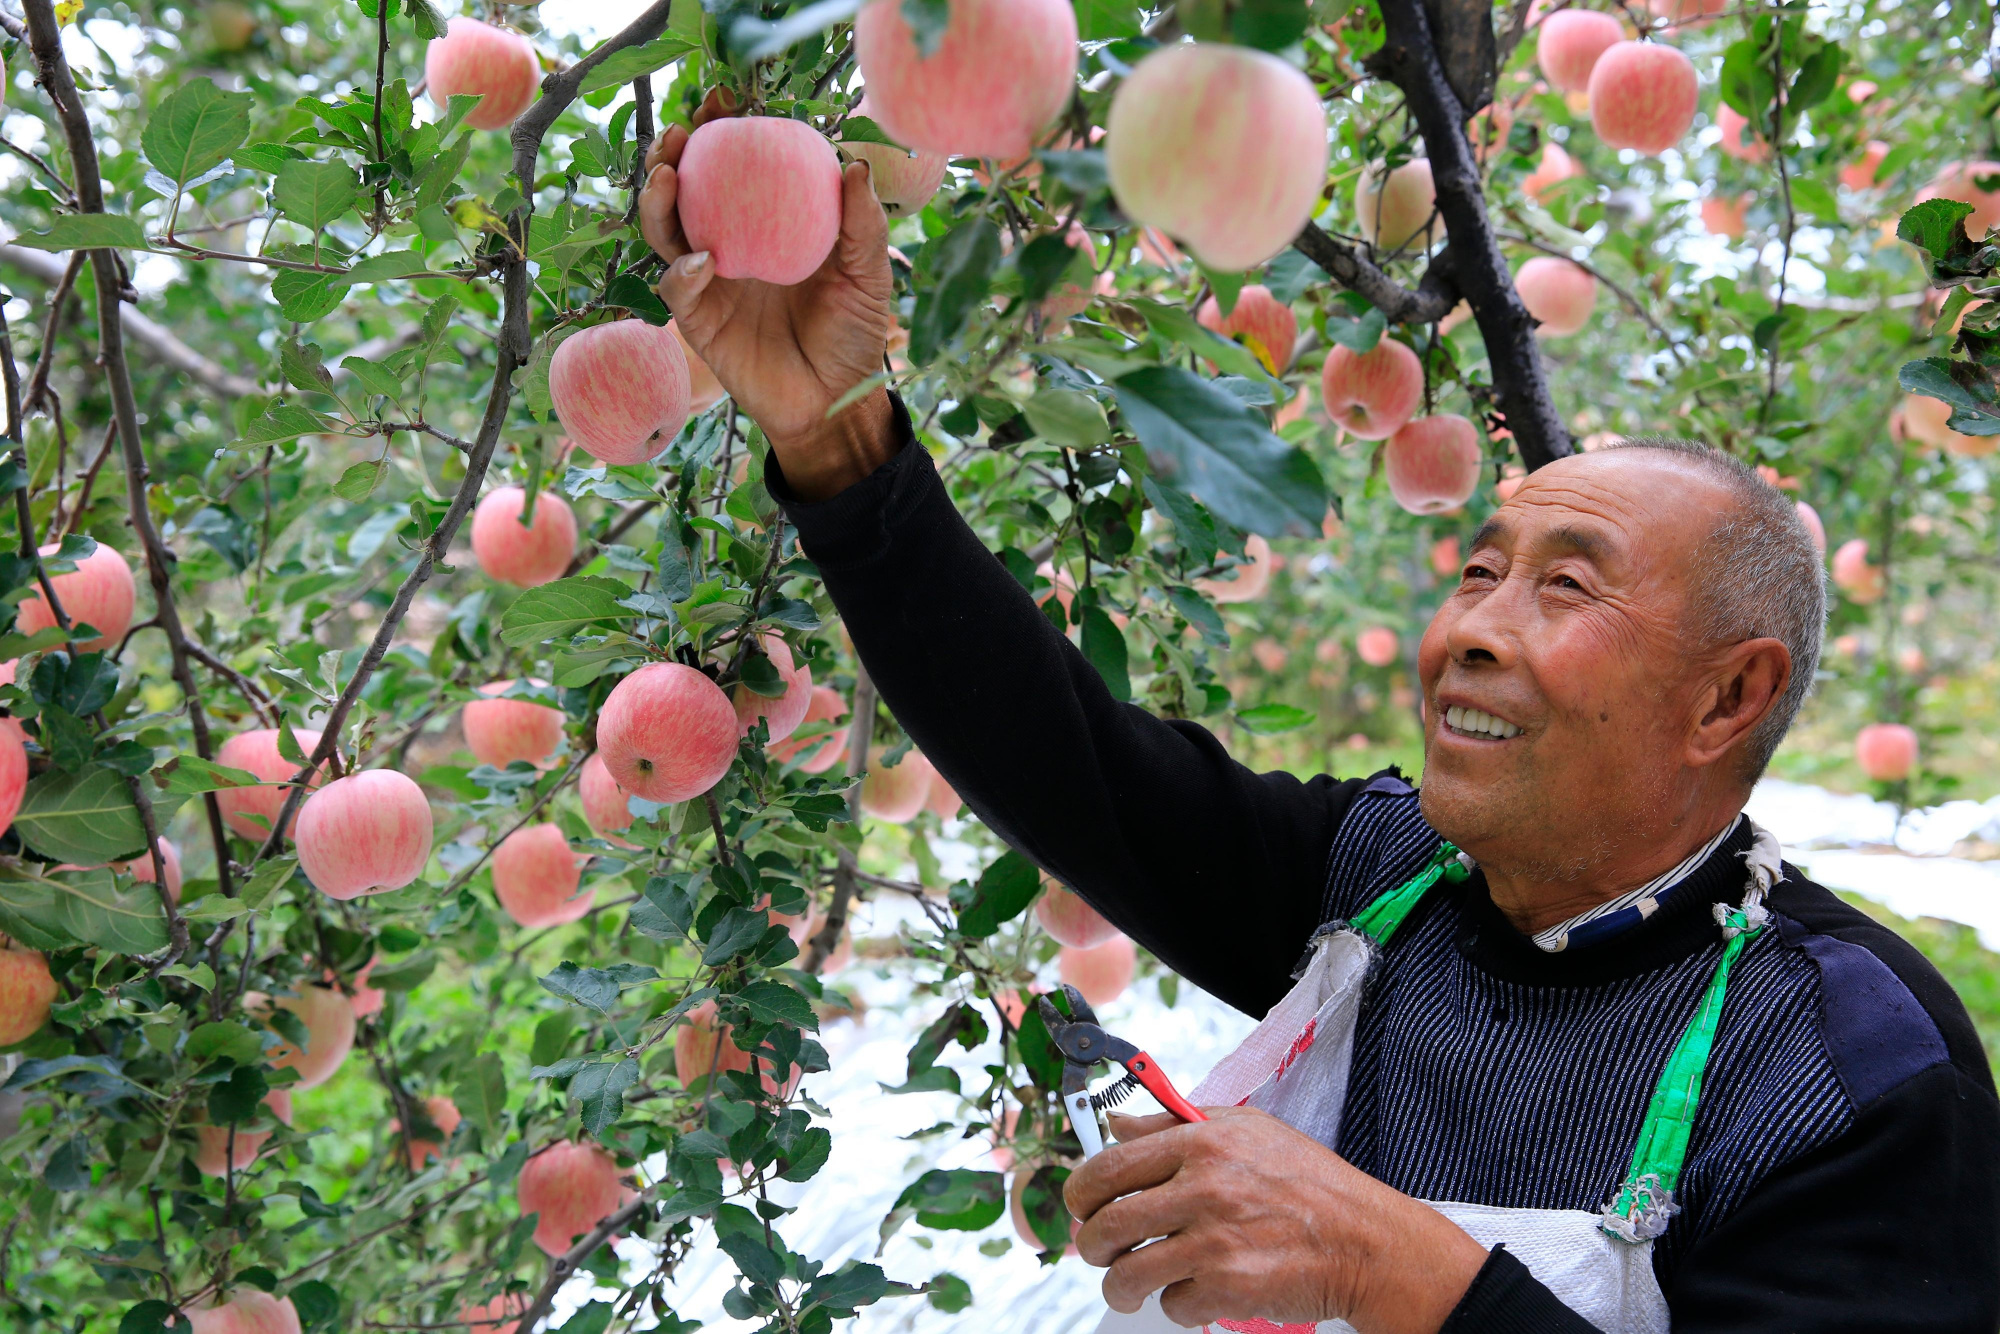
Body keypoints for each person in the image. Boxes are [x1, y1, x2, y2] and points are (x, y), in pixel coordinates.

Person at [638, 108, 2000, 1333]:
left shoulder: (1852, 1066)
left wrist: (1391, 1269)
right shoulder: (1384, 875)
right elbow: (1062, 759)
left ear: (1728, 696)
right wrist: (837, 435)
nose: (1469, 629)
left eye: (1565, 585)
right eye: (1479, 570)